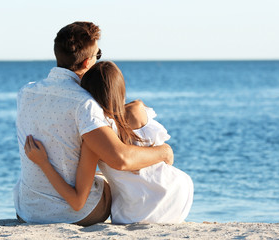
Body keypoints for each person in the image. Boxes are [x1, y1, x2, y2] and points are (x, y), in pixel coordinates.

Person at [14, 22, 173, 226]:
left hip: (27, 210)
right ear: (87, 62)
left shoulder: (25, 93)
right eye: (98, 56)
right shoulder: (85, 104)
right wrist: (164, 151)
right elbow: (122, 159)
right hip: (76, 214)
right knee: (110, 178)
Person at [25, 61, 194, 224]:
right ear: (121, 90)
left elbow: (77, 201)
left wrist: (43, 163)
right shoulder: (138, 110)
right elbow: (165, 159)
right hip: (177, 195)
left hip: (136, 213)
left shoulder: (94, 138)